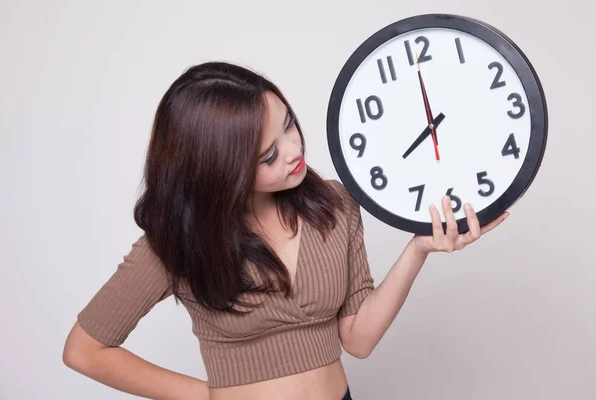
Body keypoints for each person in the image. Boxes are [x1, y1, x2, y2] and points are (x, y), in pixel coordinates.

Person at [62, 61, 508, 400]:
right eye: (267, 155)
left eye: (289, 123)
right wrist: (206, 395)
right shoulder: (177, 242)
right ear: (218, 172)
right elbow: (85, 350)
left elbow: (359, 340)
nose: (295, 151)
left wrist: (419, 250)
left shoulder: (334, 204)